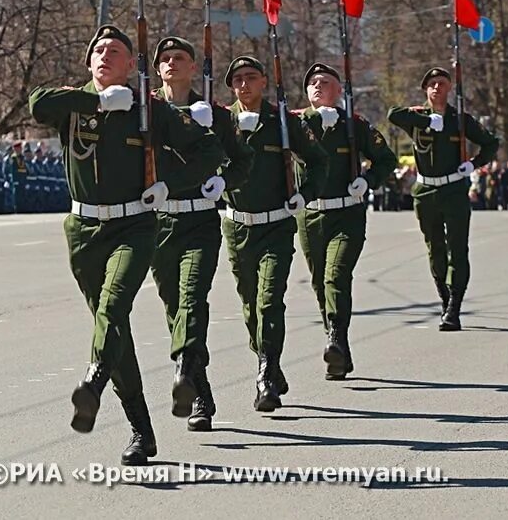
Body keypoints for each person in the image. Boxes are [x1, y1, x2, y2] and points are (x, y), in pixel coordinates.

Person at [28, 24, 223, 466]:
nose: (104, 56)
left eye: (115, 51)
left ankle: (94, 379)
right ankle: (141, 429)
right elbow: (37, 103)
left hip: (134, 226)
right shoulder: (73, 103)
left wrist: (170, 184)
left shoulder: (149, 111)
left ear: (132, 64)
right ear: (88, 62)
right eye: (98, 50)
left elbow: (208, 151)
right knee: (112, 328)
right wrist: (95, 100)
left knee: (113, 309)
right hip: (83, 231)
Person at [149, 36, 254, 431]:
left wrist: (222, 182)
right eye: (166, 59)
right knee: (175, 308)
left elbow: (243, 160)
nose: (173, 63)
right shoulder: (147, 111)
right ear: (158, 69)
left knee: (193, 298)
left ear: (194, 68)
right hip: (158, 223)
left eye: (180, 58)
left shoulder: (215, 113)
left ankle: (184, 369)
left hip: (199, 220)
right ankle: (200, 390)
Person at [222, 55, 329, 412]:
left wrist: (304, 193)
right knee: (250, 305)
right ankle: (271, 360)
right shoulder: (223, 120)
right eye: (237, 79)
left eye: (251, 77)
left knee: (269, 300)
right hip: (237, 226)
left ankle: (265, 373)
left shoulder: (282, 121)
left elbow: (317, 160)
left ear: (265, 81)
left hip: (276, 224)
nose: (244, 85)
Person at [295, 63, 396, 380]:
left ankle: (336, 338)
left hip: (346, 212)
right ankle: (337, 344)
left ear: (339, 91)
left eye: (325, 82)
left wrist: (368, 180)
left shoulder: (354, 124)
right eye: (312, 82)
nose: (317, 86)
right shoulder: (296, 124)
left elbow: (386, 159)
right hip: (310, 214)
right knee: (318, 281)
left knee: (335, 275)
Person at [387, 67, 499, 331]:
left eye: (442, 84)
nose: (437, 88)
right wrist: (427, 122)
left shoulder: (460, 120)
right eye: (432, 84)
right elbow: (393, 114)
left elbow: (491, 143)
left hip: (454, 190)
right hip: (425, 192)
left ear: (450, 89)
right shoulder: (417, 117)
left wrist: (473, 164)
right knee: (435, 249)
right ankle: (445, 298)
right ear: (425, 89)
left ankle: (454, 307)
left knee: (457, 249)